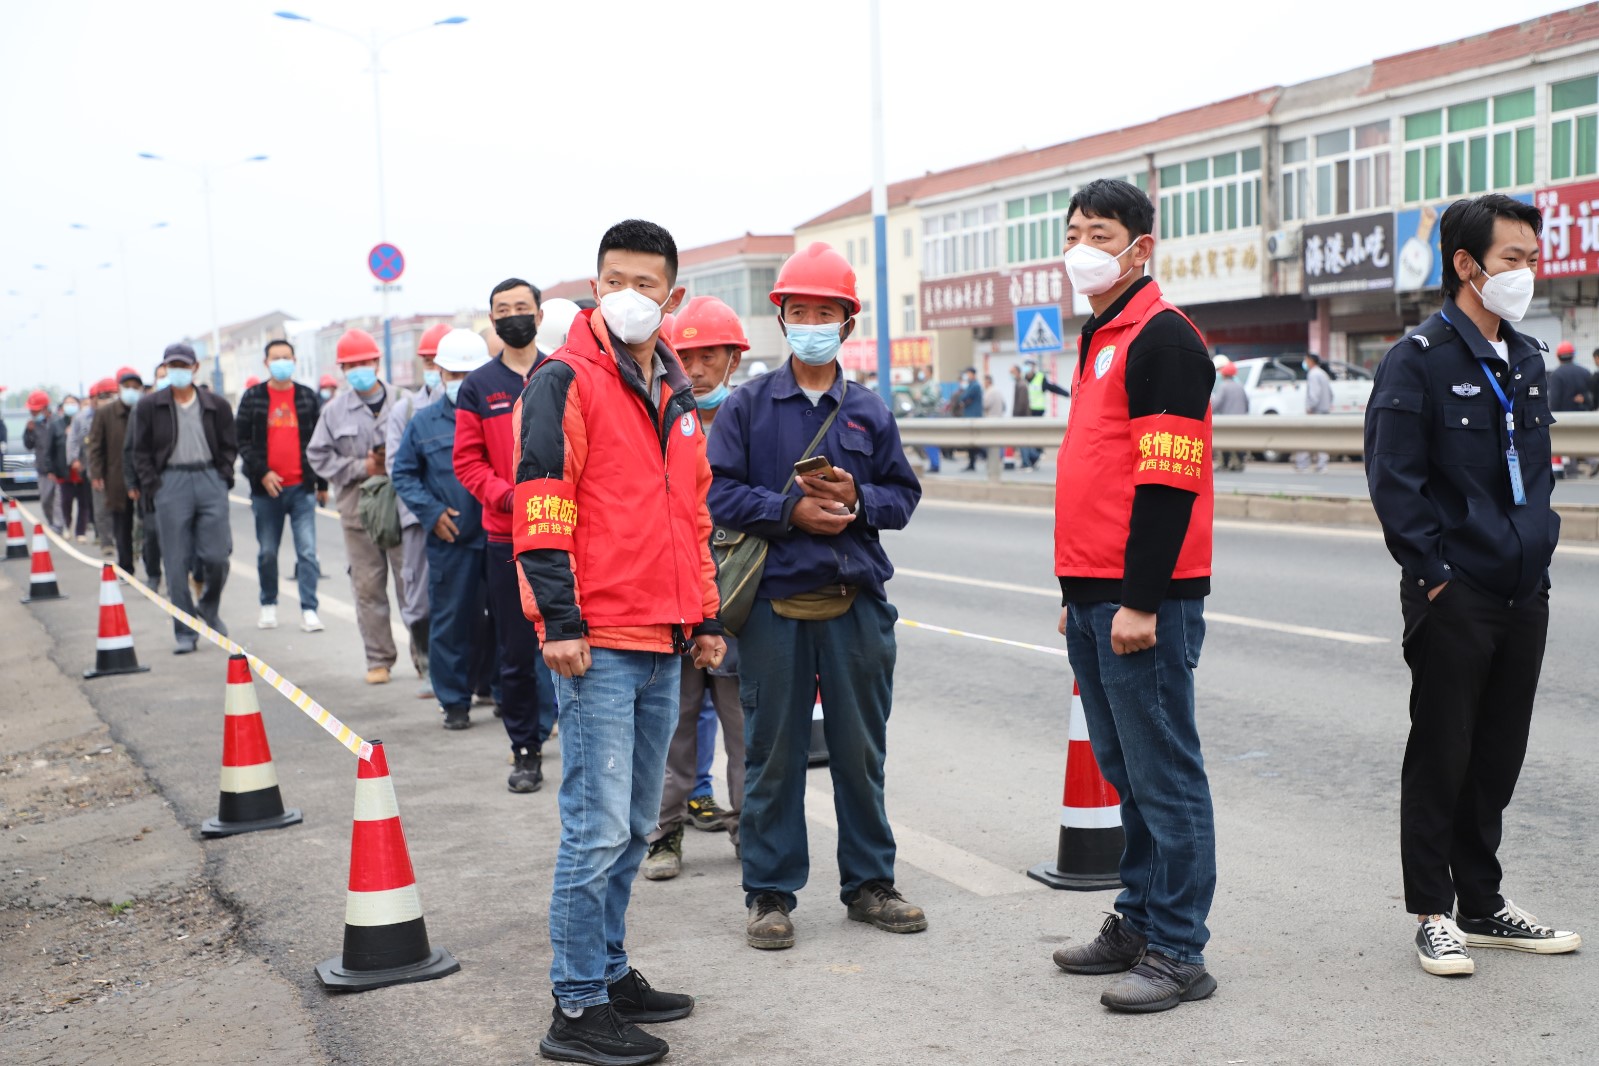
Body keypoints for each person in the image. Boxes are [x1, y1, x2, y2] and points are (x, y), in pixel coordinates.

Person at [515, 220, 721, 1065]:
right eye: (614, 281)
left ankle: (606, 970)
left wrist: (704, 616)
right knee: (594, 829)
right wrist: (557, 622)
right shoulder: (564, 379)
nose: (628, 296)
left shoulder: (673, 388)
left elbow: (691, 515)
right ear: (594, 285)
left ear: (672, 296)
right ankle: (576, 1005)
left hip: (662, 637)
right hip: (596, 641)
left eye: (646, 284)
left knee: (635, 825)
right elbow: (541, 503)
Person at [1365, 193, 1580, 978]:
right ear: (1465, 264)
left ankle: (1481, 905)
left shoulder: (1524, 359)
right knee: (1441, 752)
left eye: (1532, 259)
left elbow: (1534, 475)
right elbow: (1394, 479)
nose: (1526, 272)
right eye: (1511, 259)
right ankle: (1433, 913)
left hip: (1523, 588)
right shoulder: (1416, 358)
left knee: (1496, 754)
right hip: (1453, 591)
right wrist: (1432, 577)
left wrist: (1538, 554)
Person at [707, 241, 925, 953]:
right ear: (782, 320)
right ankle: (769, 894)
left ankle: (870, 885)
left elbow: (902, 496)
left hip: (855, 602)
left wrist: (858, 499)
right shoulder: (746, 407)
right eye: (798, 312)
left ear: (846, 324)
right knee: (773, 753)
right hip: (773, 606)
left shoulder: (868, 412)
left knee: (860, 753)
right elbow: (717, 493)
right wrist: (788, 511)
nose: (810, 324)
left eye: (823, 313)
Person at [1050, 178, 1219, 1014]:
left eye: (1101, 234)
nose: (1082, 248)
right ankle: (1140, 919)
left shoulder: (1162, 338)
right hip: (1095, 592)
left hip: (1143, 598)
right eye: (1073, 233)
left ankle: (1179, 949)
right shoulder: (1100, 335)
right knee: (1125, 771)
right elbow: (1100, 476)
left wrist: (1140, 600)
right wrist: (1075, 591)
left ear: (1140, 247)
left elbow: (1165, 483)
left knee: (1164, 775)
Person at [641, 295, 749, 882]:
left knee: (745, 729)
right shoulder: (657, 414)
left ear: (734, 359)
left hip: (738, 600)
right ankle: (664, 835)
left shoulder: (753, 416)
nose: (699, 368)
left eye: (711, 356)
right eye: (688, 357)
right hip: (674, 597)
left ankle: (749, 831)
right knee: (672, 726)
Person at [455, 278, 560, 792]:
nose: (513, 315)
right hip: (507, 539)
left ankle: (577, 739)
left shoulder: (562, 372)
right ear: (492, 319)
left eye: (522, 307)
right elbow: (467, 461)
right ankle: (525, 749)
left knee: (574, 645)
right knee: (516, 654)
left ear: (539, 315)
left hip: (565, 533)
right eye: (503, 309)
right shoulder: (478, 386)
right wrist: (509, 497)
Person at [392, 329, 491, 731]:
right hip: (451, 539)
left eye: (469, 374)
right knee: (450, 622)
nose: (461, 382)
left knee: (505, 621)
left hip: (499, 536)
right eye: (453, 374)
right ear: (440, 373)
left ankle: (499, 691)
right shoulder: (424, 423)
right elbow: (403, 473)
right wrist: (431, 513)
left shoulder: (501, 414)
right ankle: (453, 701)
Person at [308, 329, 412, 684]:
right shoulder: (334, 411)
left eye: (363, 363)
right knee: (368, 589)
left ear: (377, 362)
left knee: (413, 585)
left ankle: (425, 659)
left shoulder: (405, 402)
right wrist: (360, 467)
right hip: (359, 512)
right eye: (351, 366)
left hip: (403, 509)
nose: (358, 370)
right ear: (342, 370)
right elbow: (317, 455)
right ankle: (378, 659)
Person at [128, 343, 238, 654]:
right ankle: (185, 631)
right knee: (176, 561)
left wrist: (223, 474)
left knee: (217, 556)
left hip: (209, 479)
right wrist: (154, 485)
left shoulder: (216, 405)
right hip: (171, 482)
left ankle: (208, 607)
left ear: (195, 368)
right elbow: (139, 451)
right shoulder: (150, 406)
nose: (177, 371)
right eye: (172, 366)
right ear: (165, 368)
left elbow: (230, 445)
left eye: (183, 365)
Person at [236, 339, 326, 634]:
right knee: (267, 552)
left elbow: (320, 443)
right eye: (276, 358)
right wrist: (262, 473)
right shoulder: (253, 397)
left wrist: (322, 483)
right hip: (267, 491)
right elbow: (242, 441)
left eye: (286, 357)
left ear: (294, 360)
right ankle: (268, 602)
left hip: (302, 488)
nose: (281, 362)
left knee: (307, 552)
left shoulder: (308, 397)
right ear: (266, 363)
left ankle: (309, 609)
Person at [385, 322, 452, 696]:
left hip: (463, 517)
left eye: (441, 361)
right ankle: (427, 665)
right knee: (420, 598)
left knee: (466, 598)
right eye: (428, 361)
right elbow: (397, 466)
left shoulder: (472, 400)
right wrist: (430, 508)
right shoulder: (406, 409)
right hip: (418, 519)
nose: (436, 368)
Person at [87, 368, 142, 574]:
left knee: (148, 523)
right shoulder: (105, 413)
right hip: (116, 476)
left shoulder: (145, 410)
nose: (131, 390)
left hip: (144, 474)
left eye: (135, 387)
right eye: (127, 387)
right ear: (119, 389)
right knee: (122, 523)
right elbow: (95, 446)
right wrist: (96, 474)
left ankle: (150, 563)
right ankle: (126, 566)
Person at [52, 395, 92, 540]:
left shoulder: (85, 421)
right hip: (65, 470)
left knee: (83, 502)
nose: (70, 405)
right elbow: (52, 448)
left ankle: (81, 531)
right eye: (67, 403)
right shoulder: (57, 425)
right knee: (66, 502)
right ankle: (66, 525)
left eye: (73, 403)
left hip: (83, 468)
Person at [1021, 357, 1070, 469]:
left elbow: (1053, 387)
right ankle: (1031, 458)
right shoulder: (1023, 380)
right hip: (1027, 412)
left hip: (1038, 412)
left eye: (1029, 365)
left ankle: (1036, 455)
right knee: (1028, 436)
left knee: (1036, 436)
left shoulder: (1040, 378)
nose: (1027, 368)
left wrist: (1067, 394)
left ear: (1033, 367)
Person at [23, 390, 60, 533]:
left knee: (58, 499)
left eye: (35, 410)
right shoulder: (32, 425)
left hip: (58, 467)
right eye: (31, 410)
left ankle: (59, 525)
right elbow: (28, 445)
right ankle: (52, 522)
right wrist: (28, 431)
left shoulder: (57, 421)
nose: (33, 413)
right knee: (46, 500)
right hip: (43, 468)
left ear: (45, 408)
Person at [1294, 352, 1333, 473]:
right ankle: (1322, 464)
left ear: (1310, 361)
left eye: (1306, 360)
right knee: (1322, 438)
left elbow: (1314, 394)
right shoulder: (1323, 373)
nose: (1305, 363)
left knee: (1306, 437)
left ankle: (1303, 464)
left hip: (1315, 411)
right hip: (1324, 410)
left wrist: (1310, 408)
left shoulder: (1313, 374)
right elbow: (1331, 394)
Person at [1211, 360, 1249, 472]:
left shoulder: (1224, 386)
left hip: (1227, 420)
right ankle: (1239, 463)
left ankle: (1224, 463)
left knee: (1224, 443)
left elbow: (1217, 403)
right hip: (1240, 420)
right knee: (1238, 443)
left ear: (1223, 374)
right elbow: (1246, 403)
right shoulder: (1240, 386)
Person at [951, 366, 983, 470]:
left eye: (968, 374)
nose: (967, 376)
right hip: (970, 416)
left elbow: (964, 397)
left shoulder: (975, 386)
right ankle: (971, 463)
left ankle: (976, 460)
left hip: (973, 417)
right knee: (971, 442)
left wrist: (962, 398)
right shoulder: (971, 385)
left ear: (972, 374)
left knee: (974, 441)